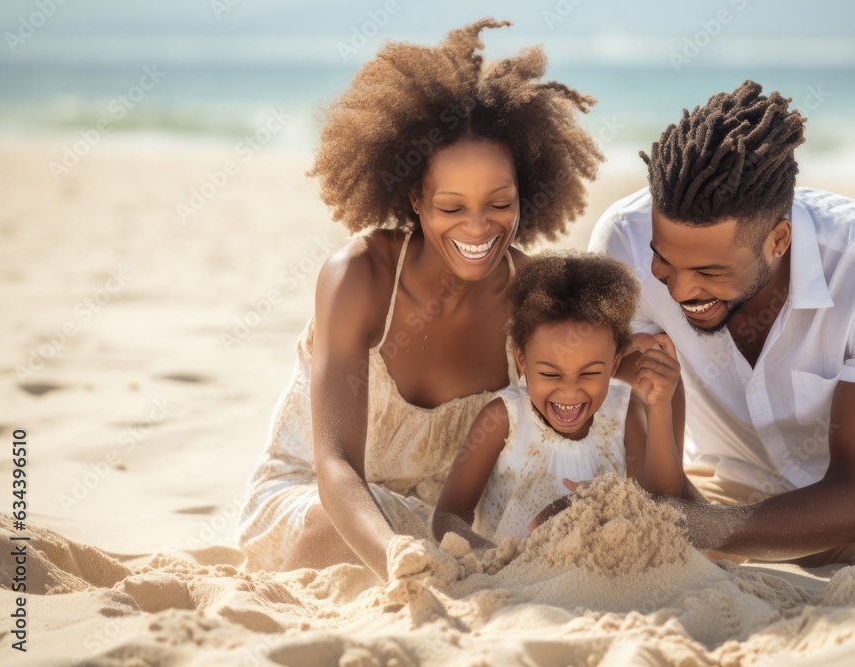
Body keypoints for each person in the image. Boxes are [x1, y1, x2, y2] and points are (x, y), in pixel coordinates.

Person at [236, 19, 603, 579]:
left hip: (452, 522)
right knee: (320, 533)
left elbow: (573, 431)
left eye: (499, 203)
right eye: (452, 207)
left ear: (524, 193)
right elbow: (335, 466)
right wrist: (392, 554)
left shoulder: (535, 297)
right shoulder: (359, 277)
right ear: (415, 198)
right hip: (327, 501)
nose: (478, 228)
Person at [587, 80, 855, 579]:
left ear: (779, 240)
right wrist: (674, 508)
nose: (679, 292)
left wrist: (694, 529)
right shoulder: (623, 240)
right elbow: (639, 412)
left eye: (711, 273)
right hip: (714, 486)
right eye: (664, 262)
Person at [432, 251, 685, 547]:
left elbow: (665, 510)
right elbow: (448, 518)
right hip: (507, 576)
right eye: (551, 375)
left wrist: (659, 408)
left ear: (614, 365)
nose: (569, 392)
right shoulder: (503, 419)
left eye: (589, 373)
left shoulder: (623, 414)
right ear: (522, 362)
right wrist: (496, 562)